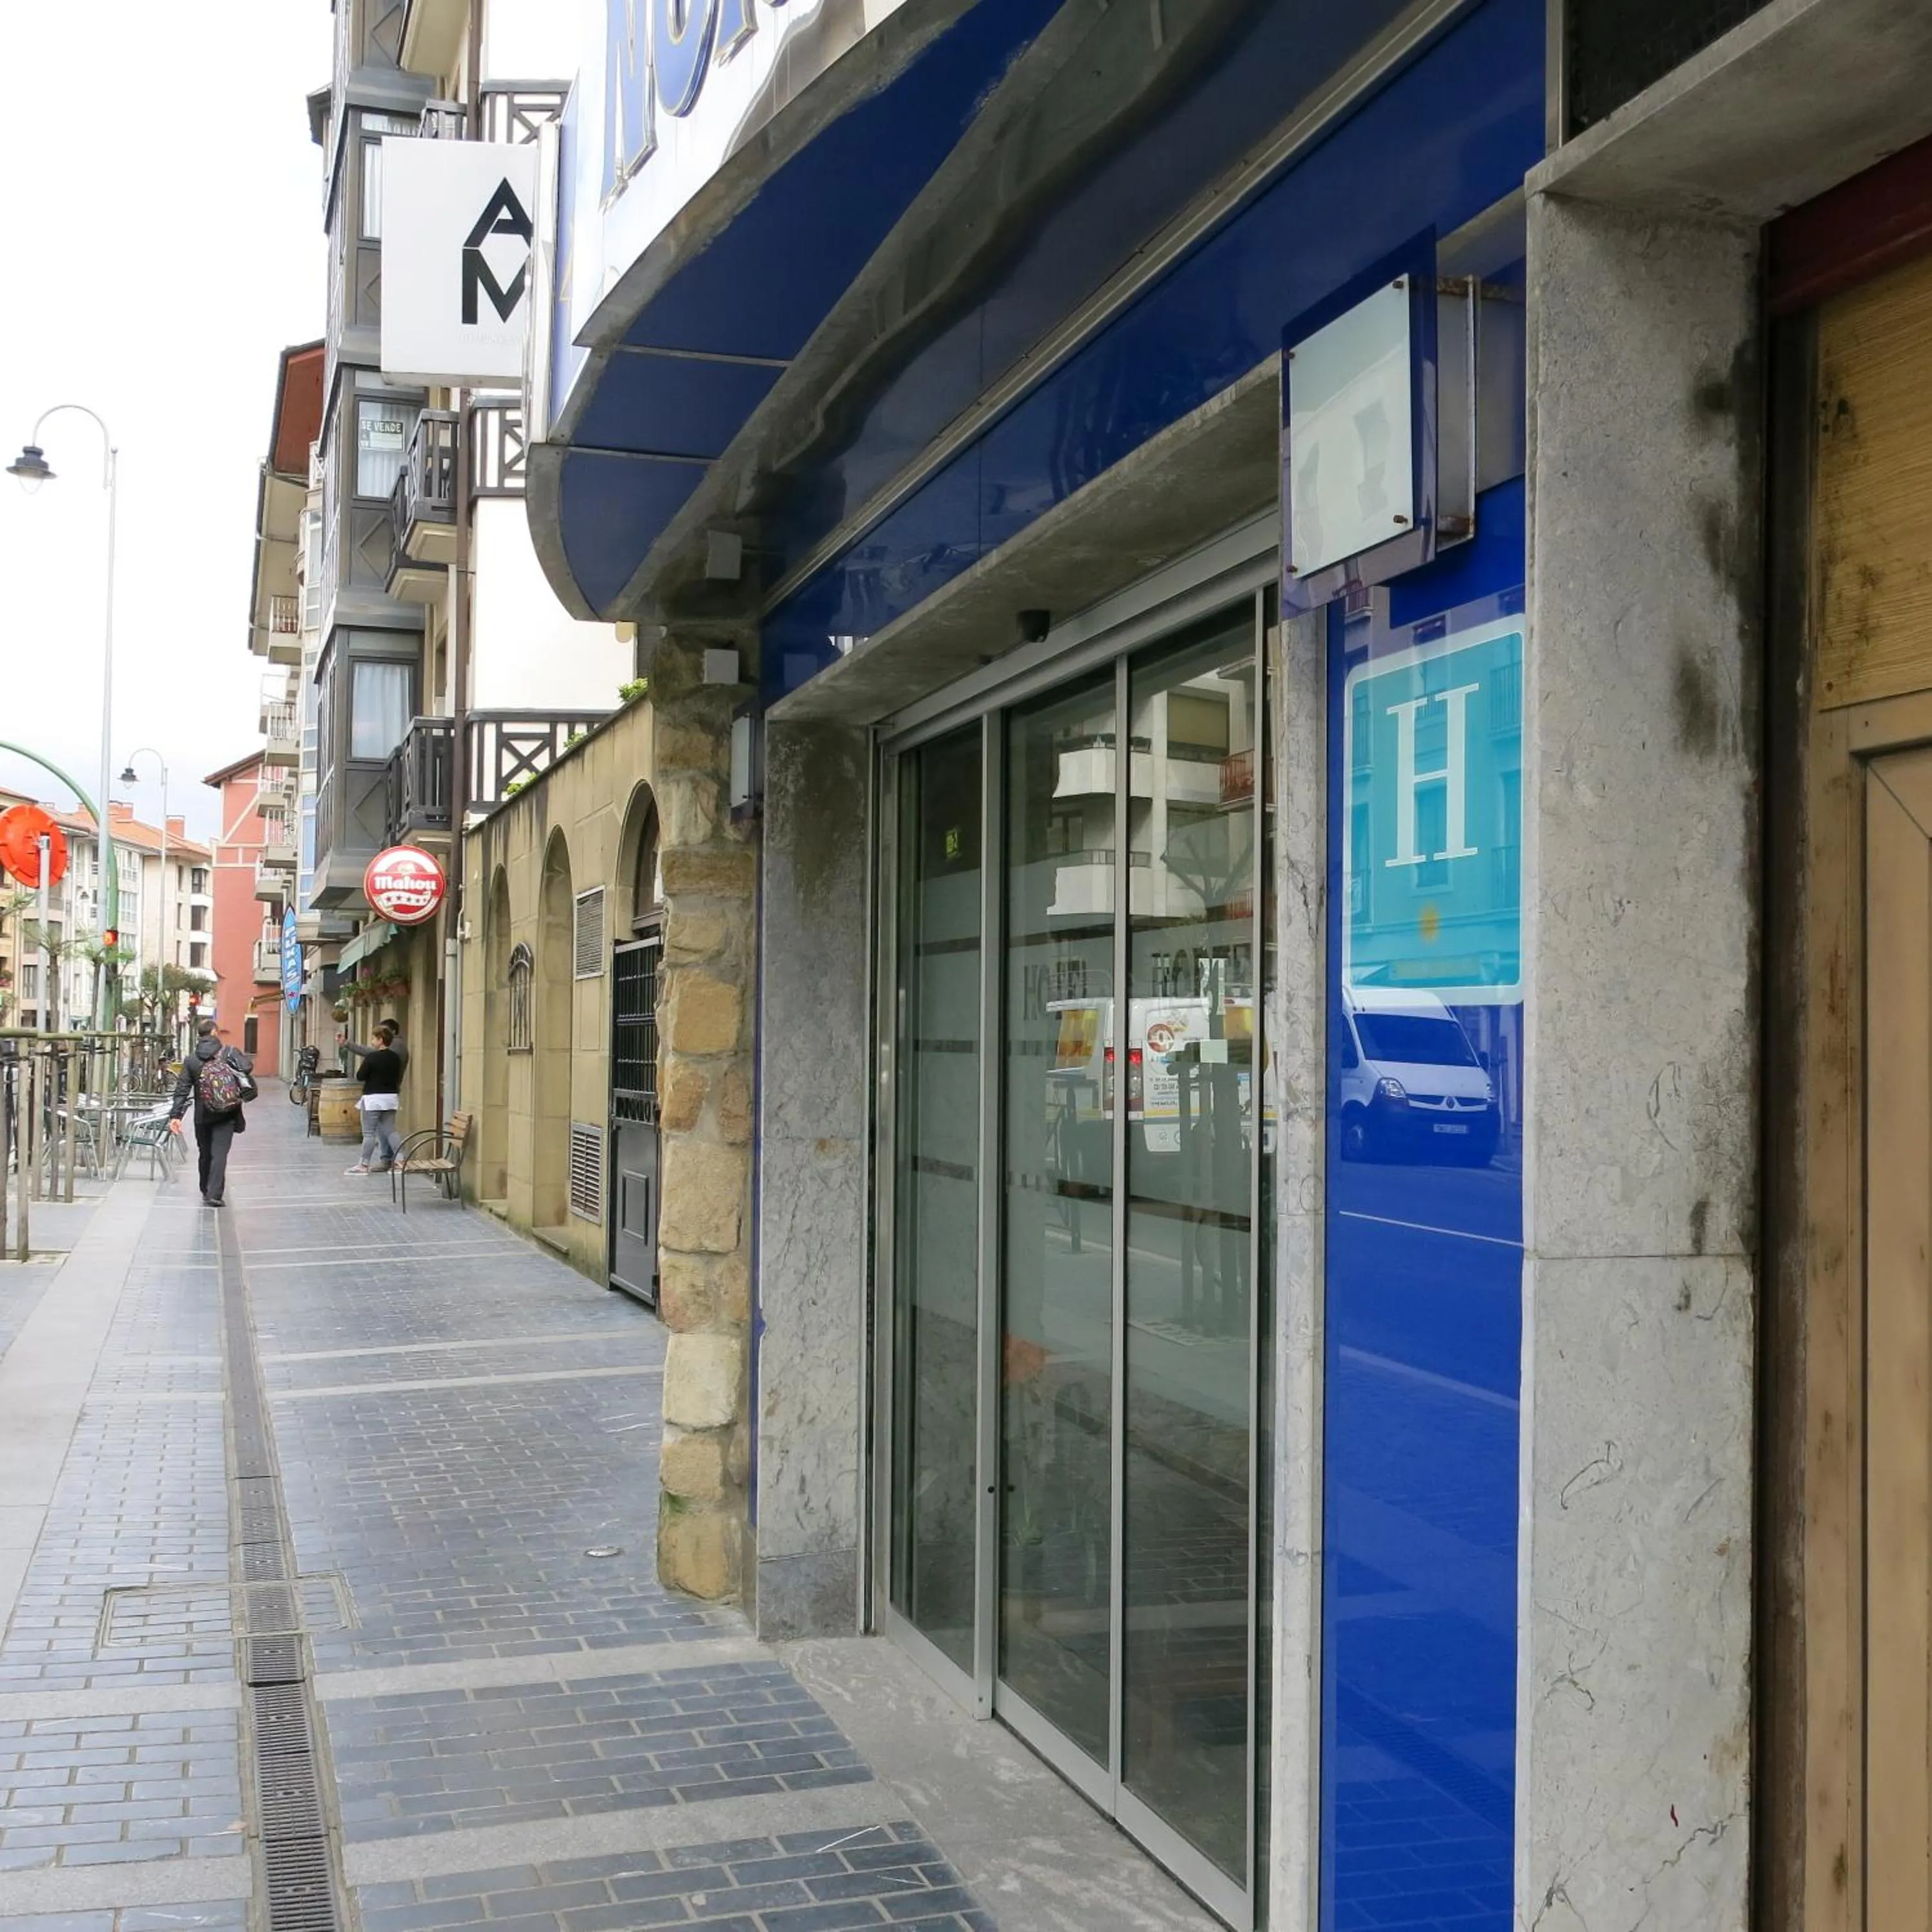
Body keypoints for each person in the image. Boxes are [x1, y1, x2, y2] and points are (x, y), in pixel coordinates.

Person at [168, 1019, 257, 1207]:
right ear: (215, 1033)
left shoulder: (192, 1060)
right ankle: (214, 1194)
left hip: (203, 1115)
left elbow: (182, 1089)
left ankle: (205, 1188)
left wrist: (176, 1116)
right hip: (228, 1112)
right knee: (220, 1154)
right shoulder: (228, 1053)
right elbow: (248, 1067)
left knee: (205, 1153)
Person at [346, 1019, 405, 1177]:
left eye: (374, 1038)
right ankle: (400, 1161)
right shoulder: (395, 1058)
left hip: (373, 1099)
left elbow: (360, 1076)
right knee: (391, 1131)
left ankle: (364, 1165)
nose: (372, 1041)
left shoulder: (372, 1058)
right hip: (391, 1098)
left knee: (369, 1133)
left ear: (381, 1040)